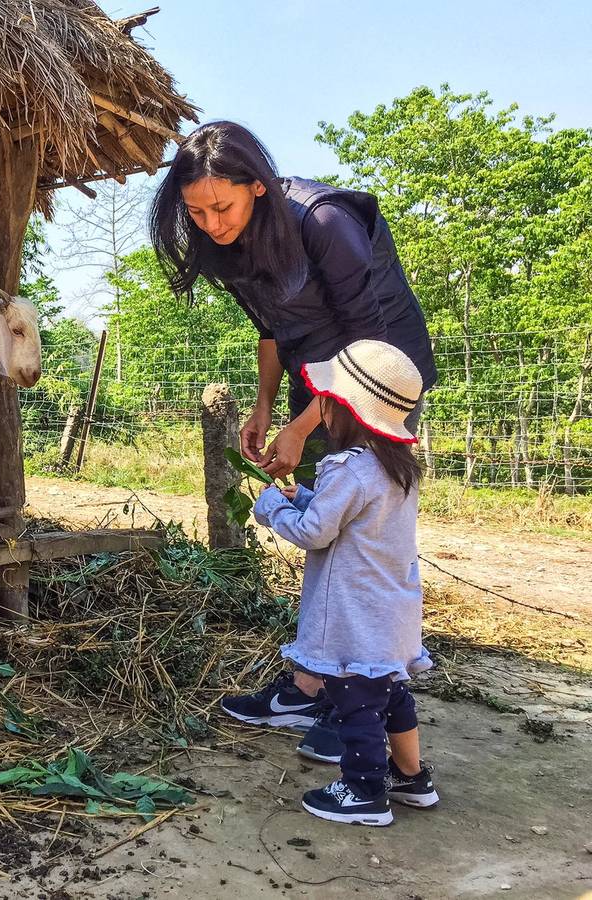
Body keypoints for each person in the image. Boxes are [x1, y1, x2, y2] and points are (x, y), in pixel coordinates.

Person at [150, 120, 437, 760]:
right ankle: (313, 683)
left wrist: (302, 423)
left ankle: (357, 696)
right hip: (321, 377)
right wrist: (263, 406)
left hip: (381, 377)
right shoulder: (229, 243)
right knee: (325, 524)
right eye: (195, 213)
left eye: (221, 206)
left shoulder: (324, 221)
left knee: (361, 535)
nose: (212, 224)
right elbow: (273, 329)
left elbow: (370, 347)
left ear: (256, 185)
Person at [250, 339, 438, 825]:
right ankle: (412, 779)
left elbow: (316, 532)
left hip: (353, 617)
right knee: (393, 697)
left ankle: (364, 792)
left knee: (354, 703)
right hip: (392, 616)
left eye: (327, 402)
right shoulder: (397, 468)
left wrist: (274, 507)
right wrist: (307, 492)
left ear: (343, 409)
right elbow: (355, 516)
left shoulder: (349, 470)